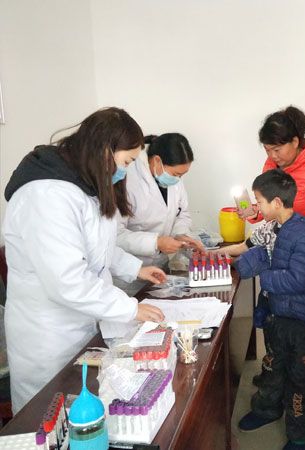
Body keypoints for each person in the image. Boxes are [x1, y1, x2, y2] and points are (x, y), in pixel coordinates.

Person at [2, 107, 166, 413]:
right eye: (126, 162)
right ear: (104, 150)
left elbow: (99, 248)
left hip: (82, 325)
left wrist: (136, 269)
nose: (125, 171)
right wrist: (130, 308)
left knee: (86, 412)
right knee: (49, 418)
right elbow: (67, 281)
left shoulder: (86, 185)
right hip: (49, 336)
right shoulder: (46, 195)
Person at [234, 169, 305, 450]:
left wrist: (263, 273)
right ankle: (267, 410)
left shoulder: (302, 234)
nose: (256, 207)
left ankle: (302, 436)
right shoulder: (275, 227)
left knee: (300, 380)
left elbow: (298, 279)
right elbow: (257, 252)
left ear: (277, 202)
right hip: (278, 314)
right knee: (272, 367)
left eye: (259, 202)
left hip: (301, 322)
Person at [117, 133, 204, 267]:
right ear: (157, 160)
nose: (178, 179)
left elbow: (182, 213)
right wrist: (155, 242)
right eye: (176, 174)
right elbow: (116, 234)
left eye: (182, 175)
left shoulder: (174, 178)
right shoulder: (127, 180)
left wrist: (180, 235)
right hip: (130, 267)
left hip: (160, 264)